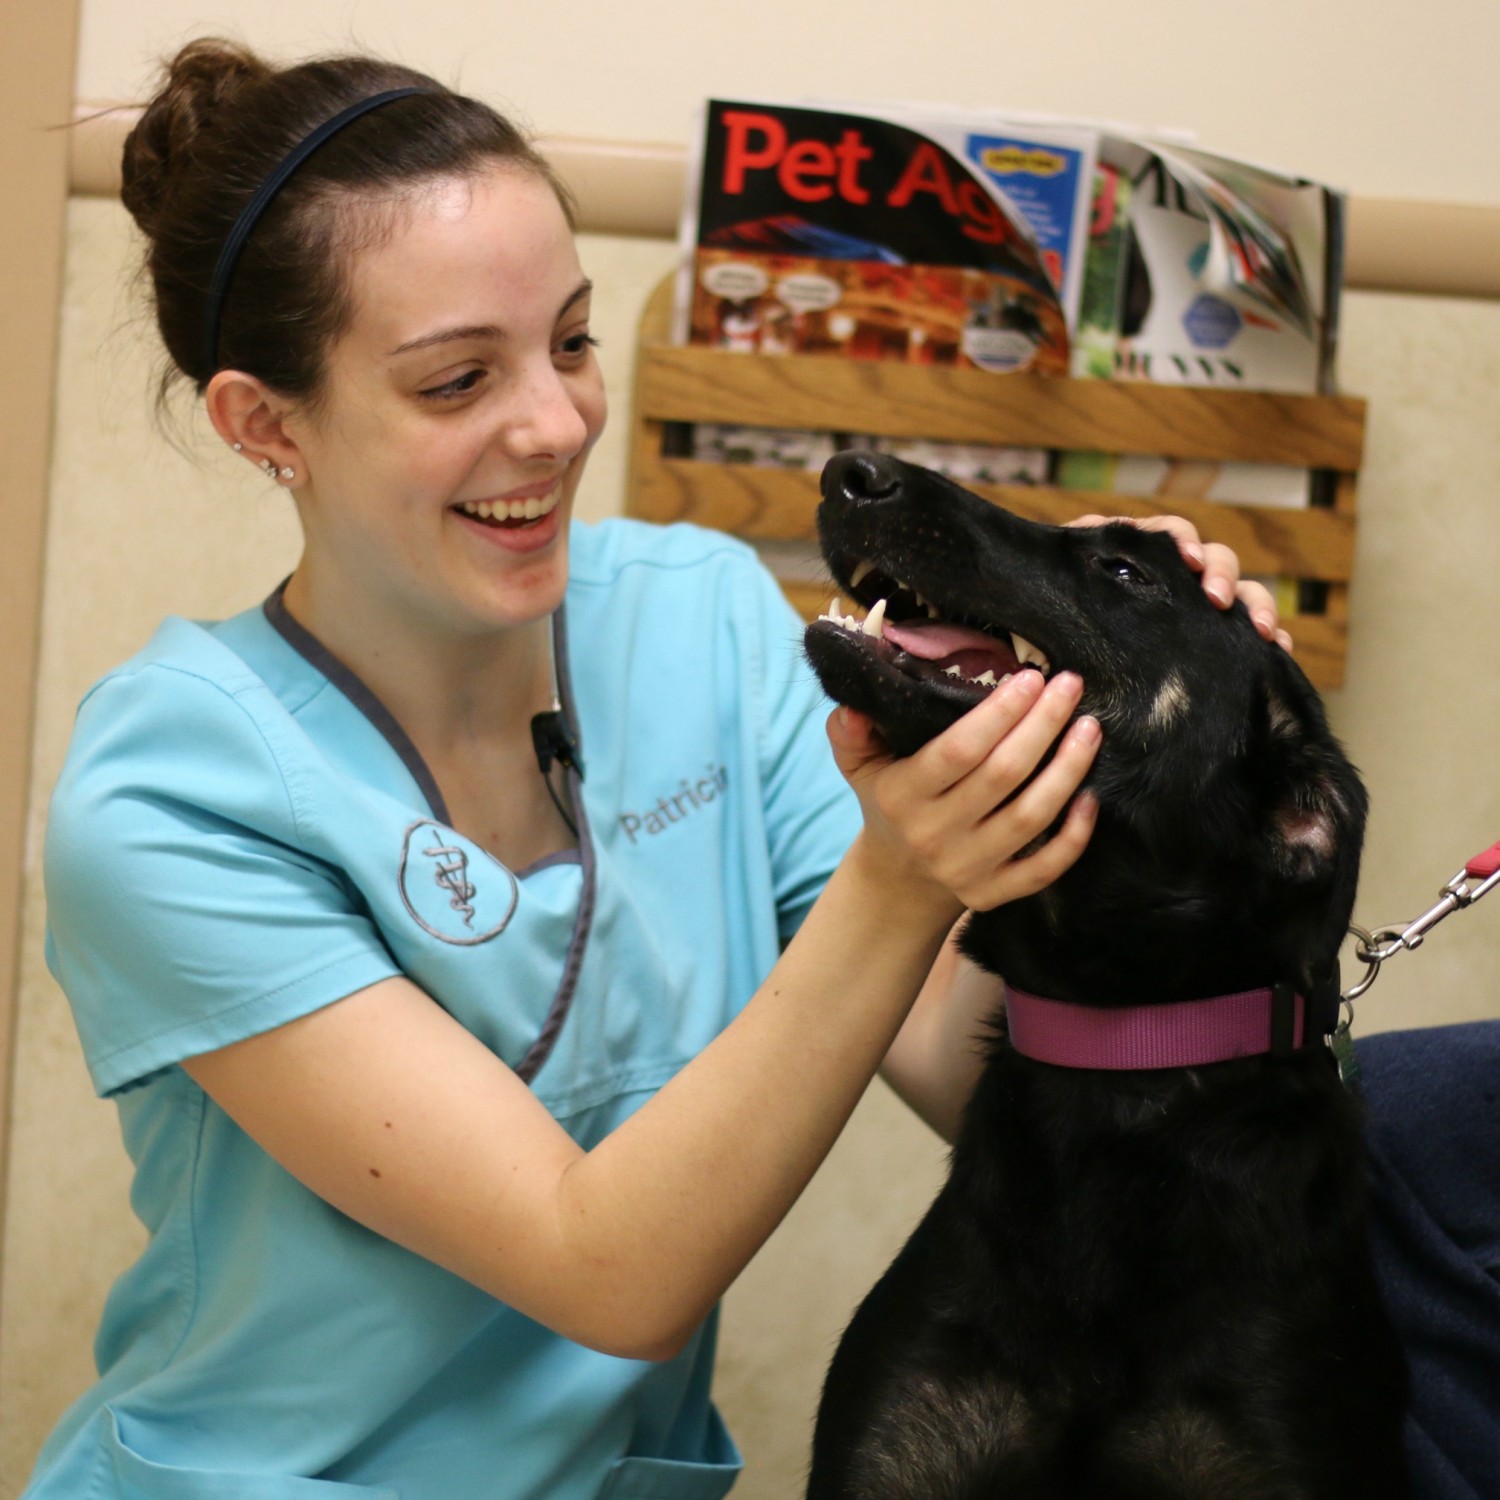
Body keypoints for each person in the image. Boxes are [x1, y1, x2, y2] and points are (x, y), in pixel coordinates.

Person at [24, 40, 1286, 1500]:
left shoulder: (699, 622)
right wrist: (901, 874)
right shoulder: (170, 799)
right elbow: (602, 1269)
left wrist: (1134, 738)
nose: (555, 425)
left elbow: (963, 1067)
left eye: (569, 341)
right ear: (265, 424)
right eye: (456, 382)